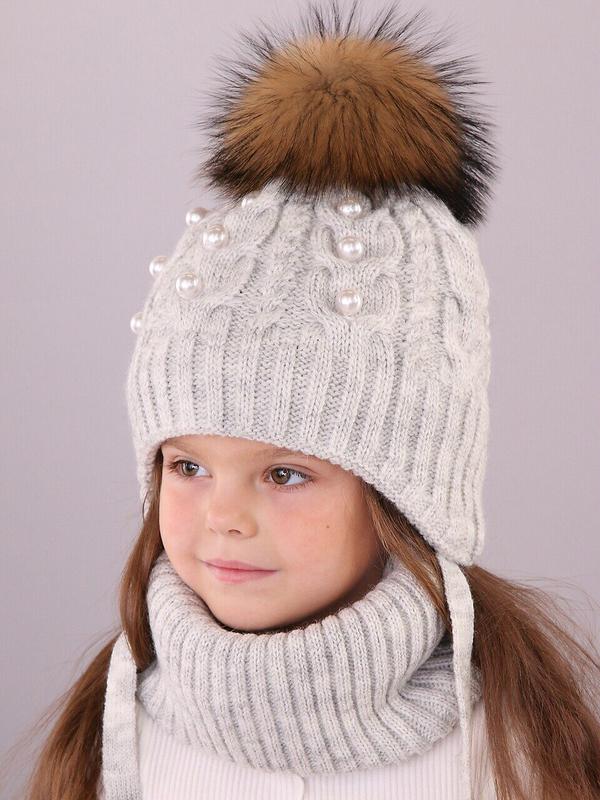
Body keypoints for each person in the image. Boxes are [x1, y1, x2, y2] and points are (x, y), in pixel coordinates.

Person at [5, 1, 600, 798]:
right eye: (186, 466)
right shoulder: (114, 735)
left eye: (284, 473)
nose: (222, 516)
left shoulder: (517, 747)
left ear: (410, 498)